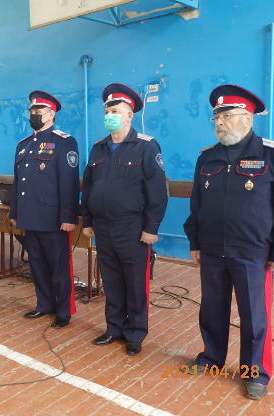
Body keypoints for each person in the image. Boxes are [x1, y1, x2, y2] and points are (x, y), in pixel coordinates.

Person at [183, 84, 274, 400]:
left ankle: (255, 371)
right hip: (212, 249)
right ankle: (211, 359)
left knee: (254, 316)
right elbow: (197, 203)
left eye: (227, 116)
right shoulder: (207, 157)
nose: (220, 122)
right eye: (216, 117)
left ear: (248, 118)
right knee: (212, 309)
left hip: (253, 251)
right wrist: (195, 241)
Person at [80, 83, 168, 355]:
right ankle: (114, 328)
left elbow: (157, 191)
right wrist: (87, 221)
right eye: (107, 111)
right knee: (112, 281)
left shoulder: (146, 146)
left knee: (135, 283)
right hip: (103, 228)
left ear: (129, 115)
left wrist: (151, 228)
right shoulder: (98, 148)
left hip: (133, 229)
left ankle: (135, 333)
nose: (109, 115)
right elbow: (88, 187)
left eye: (115, 111)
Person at [9, 90, 79, 328]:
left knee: (58, 267)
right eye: (32, 111)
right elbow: (19, 182)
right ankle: (44, 304)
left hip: (52, 218)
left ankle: (63, 310)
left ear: (51, 114)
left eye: (38, 111)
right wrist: (15, 212)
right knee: (37, 265)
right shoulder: (24, 145)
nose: (34, 115)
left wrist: (68, 216)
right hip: (30, 216)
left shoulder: (64, 142)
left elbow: (69, 182)